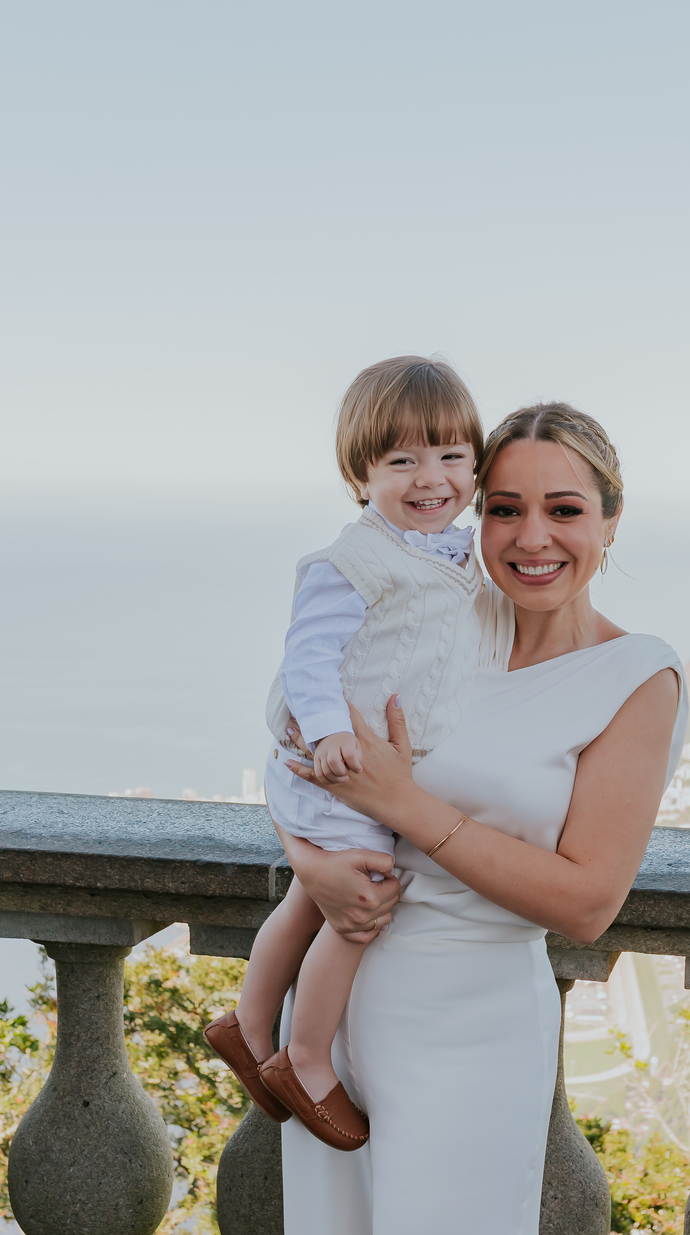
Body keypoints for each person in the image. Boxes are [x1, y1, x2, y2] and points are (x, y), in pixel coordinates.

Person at [275, 399, 688, 1235]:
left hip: (471, 1033)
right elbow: (295, 737)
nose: (530, 535)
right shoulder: (431, 606)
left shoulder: (637, 676)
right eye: (504, 505)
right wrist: (310, 861)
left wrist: (410, 809)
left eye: (564, 508)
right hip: (346, 1014)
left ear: (610, 522)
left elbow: (588, 899)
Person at [204, 356, 486, 1147]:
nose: (431, 478)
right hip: (336, 767)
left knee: (309, 897)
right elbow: (308, 655)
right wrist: (330, 731)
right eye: (402, 461)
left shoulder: (453, 553)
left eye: (451, 456)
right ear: (360, 475)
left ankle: (247, 1022)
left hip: (357, 771)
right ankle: (304, 1058)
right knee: (361, 907)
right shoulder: (354, 560)